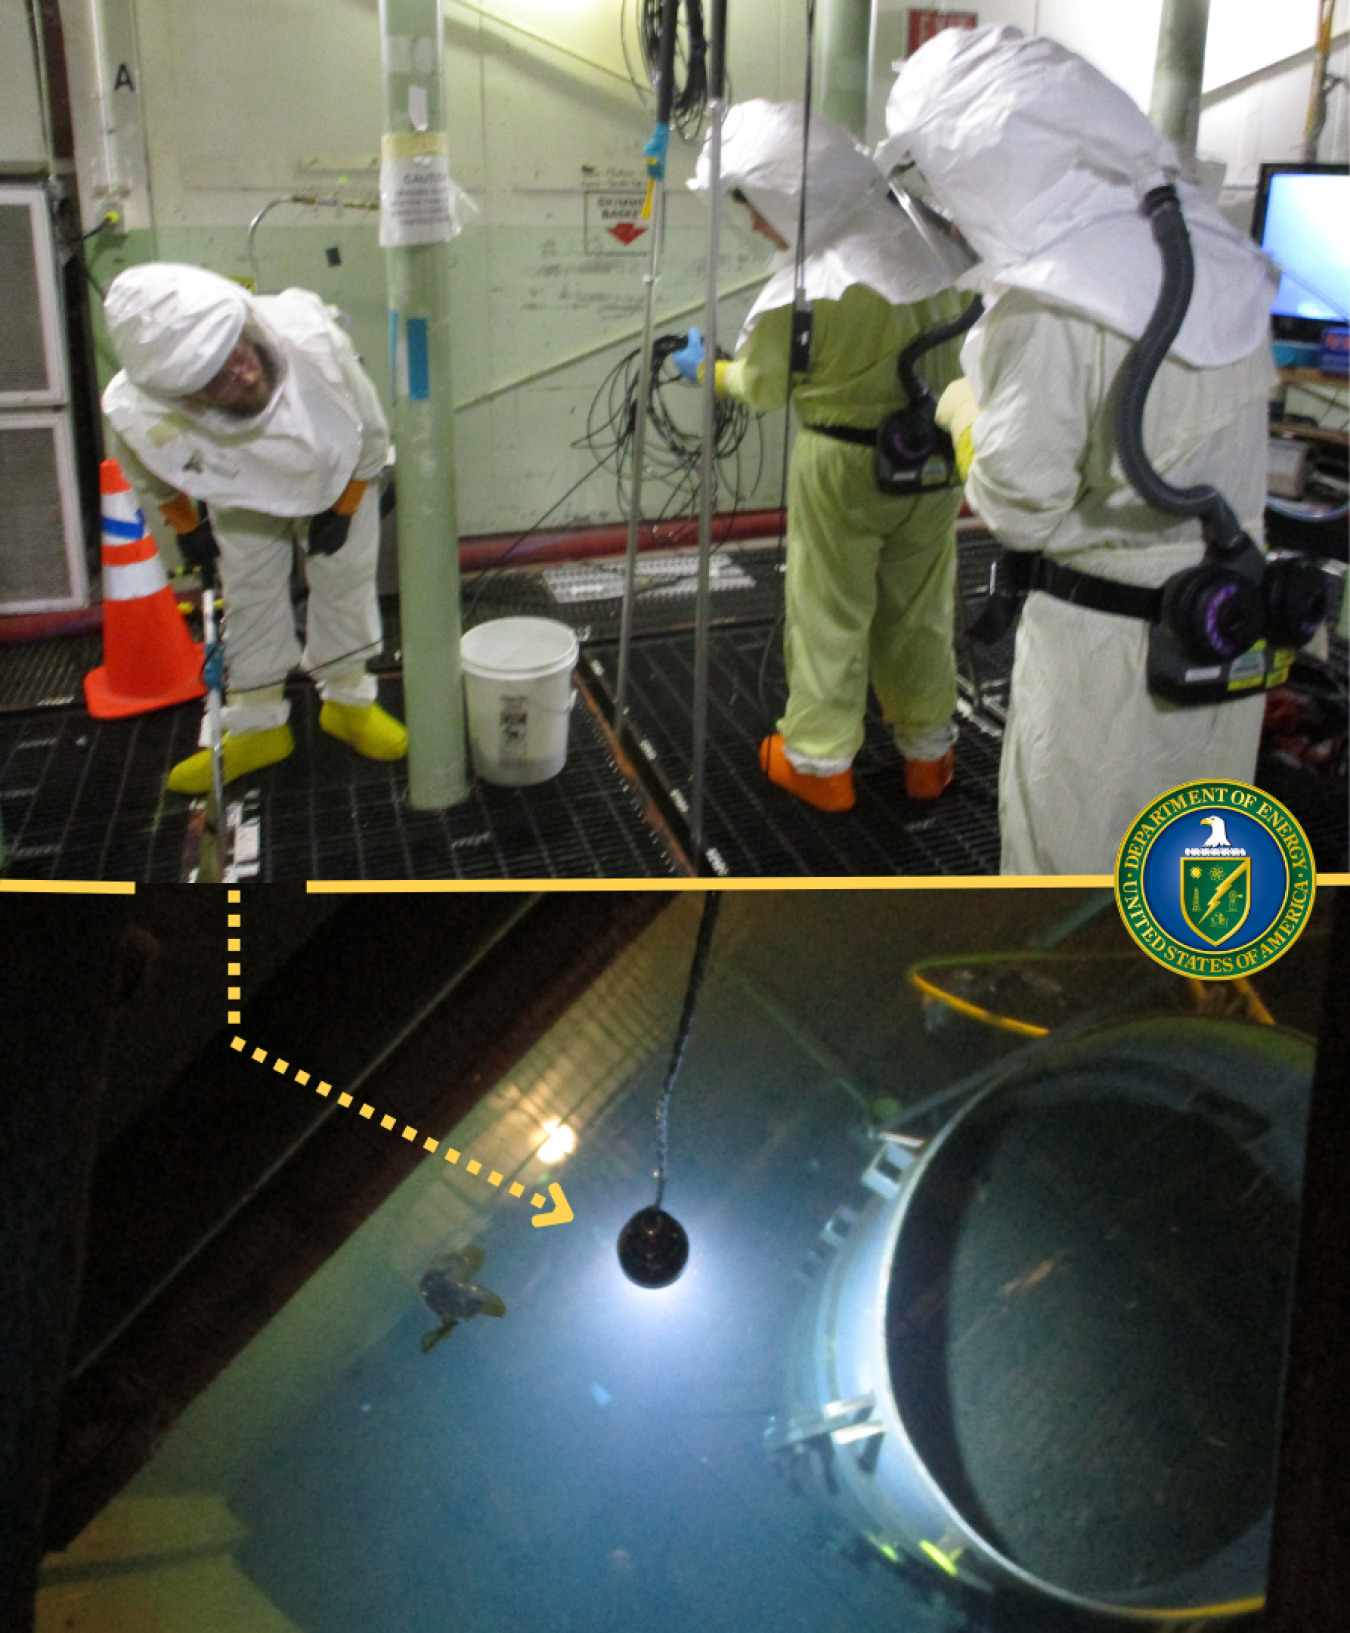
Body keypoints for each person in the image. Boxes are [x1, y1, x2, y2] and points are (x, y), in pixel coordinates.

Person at [880, 24, 1281, 873]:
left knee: (1073, 875)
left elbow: (1022, 505)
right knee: (1204, 870)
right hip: (1223, 639)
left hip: (1106, 655)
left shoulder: (1054, 303)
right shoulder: (1222, 262)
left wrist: (961, 413)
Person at [680, 101, 968, 813]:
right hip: (935, 460)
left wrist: (707, 370)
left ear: (788, 197)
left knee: (829, 609)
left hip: (841, 467)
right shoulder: (928, 243)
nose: (755, 225)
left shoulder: (808, 287)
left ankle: (820, 763)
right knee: (921, 608)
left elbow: (763, 386)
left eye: (756, 208)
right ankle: (928, 756)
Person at [101, 263, 407, 793]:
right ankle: (257, 724)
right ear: (183, 398)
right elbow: (152, 471)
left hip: (335, 475)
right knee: (249, 593)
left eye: (237, 355)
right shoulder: (139, 409)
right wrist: (185, 526)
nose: (241, 375)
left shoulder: (313, 342)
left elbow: (373, 439)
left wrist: (345, 507)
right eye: (216, 378)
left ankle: (348, 702)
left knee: (345, 582)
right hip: (237, 484)